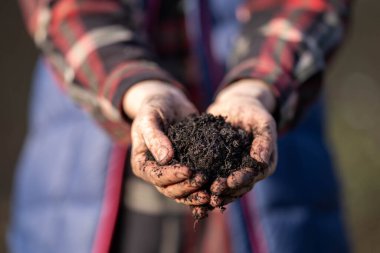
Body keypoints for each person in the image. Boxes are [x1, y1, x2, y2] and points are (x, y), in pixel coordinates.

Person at [9, 0, 351, 252]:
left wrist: (259, 84)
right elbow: (67, 10)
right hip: (85, 176)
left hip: (275, 171)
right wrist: (136, 87)